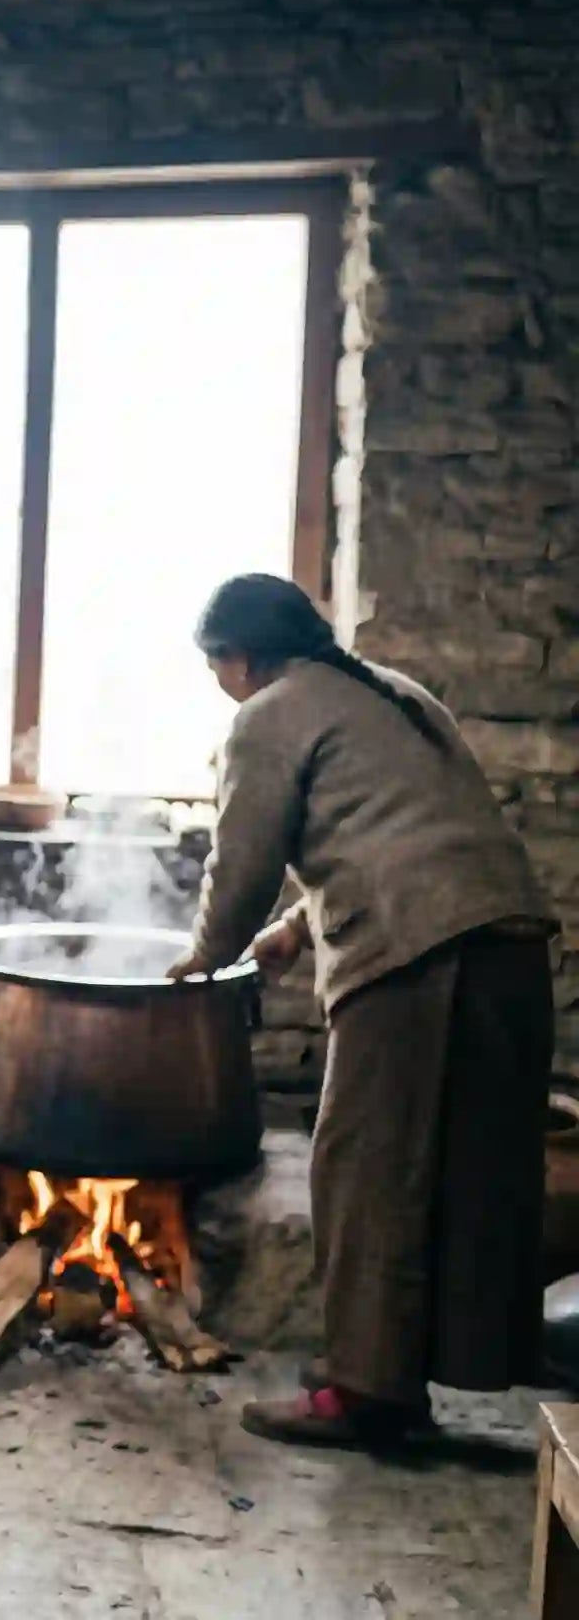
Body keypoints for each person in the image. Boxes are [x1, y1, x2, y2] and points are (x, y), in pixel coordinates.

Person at [168, 574, 559, 1449]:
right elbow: (414, 831)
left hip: (419, 961)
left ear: (238, 658)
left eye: (216, 666)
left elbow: (244, 858)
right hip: (507, 948)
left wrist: (208, 951)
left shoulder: (267, 714)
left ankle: (366, 1394)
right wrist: (295, 929)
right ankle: (425, 1369)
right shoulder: (394, 693)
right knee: (472, 1172)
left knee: (368, 1171)